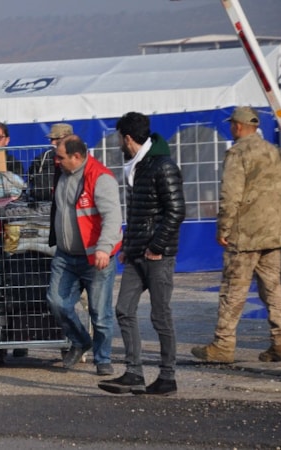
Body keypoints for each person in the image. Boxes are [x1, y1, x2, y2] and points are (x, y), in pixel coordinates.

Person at [98, 112, 185, 396]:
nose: (117, 144)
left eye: (119, 138)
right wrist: (129, 248)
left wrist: (156, 247)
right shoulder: (136, 165)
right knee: (124, 310)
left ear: (127, 137)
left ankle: (167, 377)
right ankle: (134, 373)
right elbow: (139, 214)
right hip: (137, 254)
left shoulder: (163, 166)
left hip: (158, 256)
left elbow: (176, 211)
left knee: (160, 316)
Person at [192, 106, 281, 364]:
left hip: (245, 235)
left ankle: (223, 344)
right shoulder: (273, 152)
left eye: (232, 125)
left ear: (238, 127)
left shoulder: (238, 153)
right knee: (274, 289)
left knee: (233, 289)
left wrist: (224, 228)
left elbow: (231, 195)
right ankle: (280, 341)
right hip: (273, 233)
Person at [45, 135, 122, 375]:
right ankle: (80, 341)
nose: (56, 161)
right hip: (65, 255)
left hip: (95, 258)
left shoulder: (101, 178)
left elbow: (113, 217)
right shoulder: (63, 174)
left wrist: (104, 248)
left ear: (76, 157)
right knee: (56, 303)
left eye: (61, 157)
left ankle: (103, 359)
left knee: (100, 313)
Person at [28, 123, 74, 202]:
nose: (53, 143)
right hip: (46, 205)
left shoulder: (78, 158)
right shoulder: (42, 159)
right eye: (52, 139)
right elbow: (31, 180)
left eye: (57, 139)